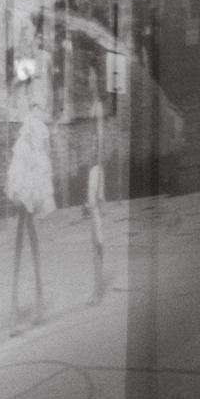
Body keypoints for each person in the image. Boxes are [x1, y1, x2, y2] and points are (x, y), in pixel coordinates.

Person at [5, 70, 54, 332]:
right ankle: (28, 299)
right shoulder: (25, 90)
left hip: (33, 169)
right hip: (26, 165)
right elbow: (14, 89)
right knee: (23, 235)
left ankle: (34, 298)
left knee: (27, 235)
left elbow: (43, 139)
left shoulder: (38, 97)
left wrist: (41, 179)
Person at [86, 85, 107, 304]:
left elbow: (101, 143)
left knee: (97, 232)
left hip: (96, 171)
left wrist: (100, 184)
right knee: (94, 232)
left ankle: (98, 287)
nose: (89, 82)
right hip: (92, 170)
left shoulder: (98, 107)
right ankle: (97, 284)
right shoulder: (92, 107)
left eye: (92, 78)